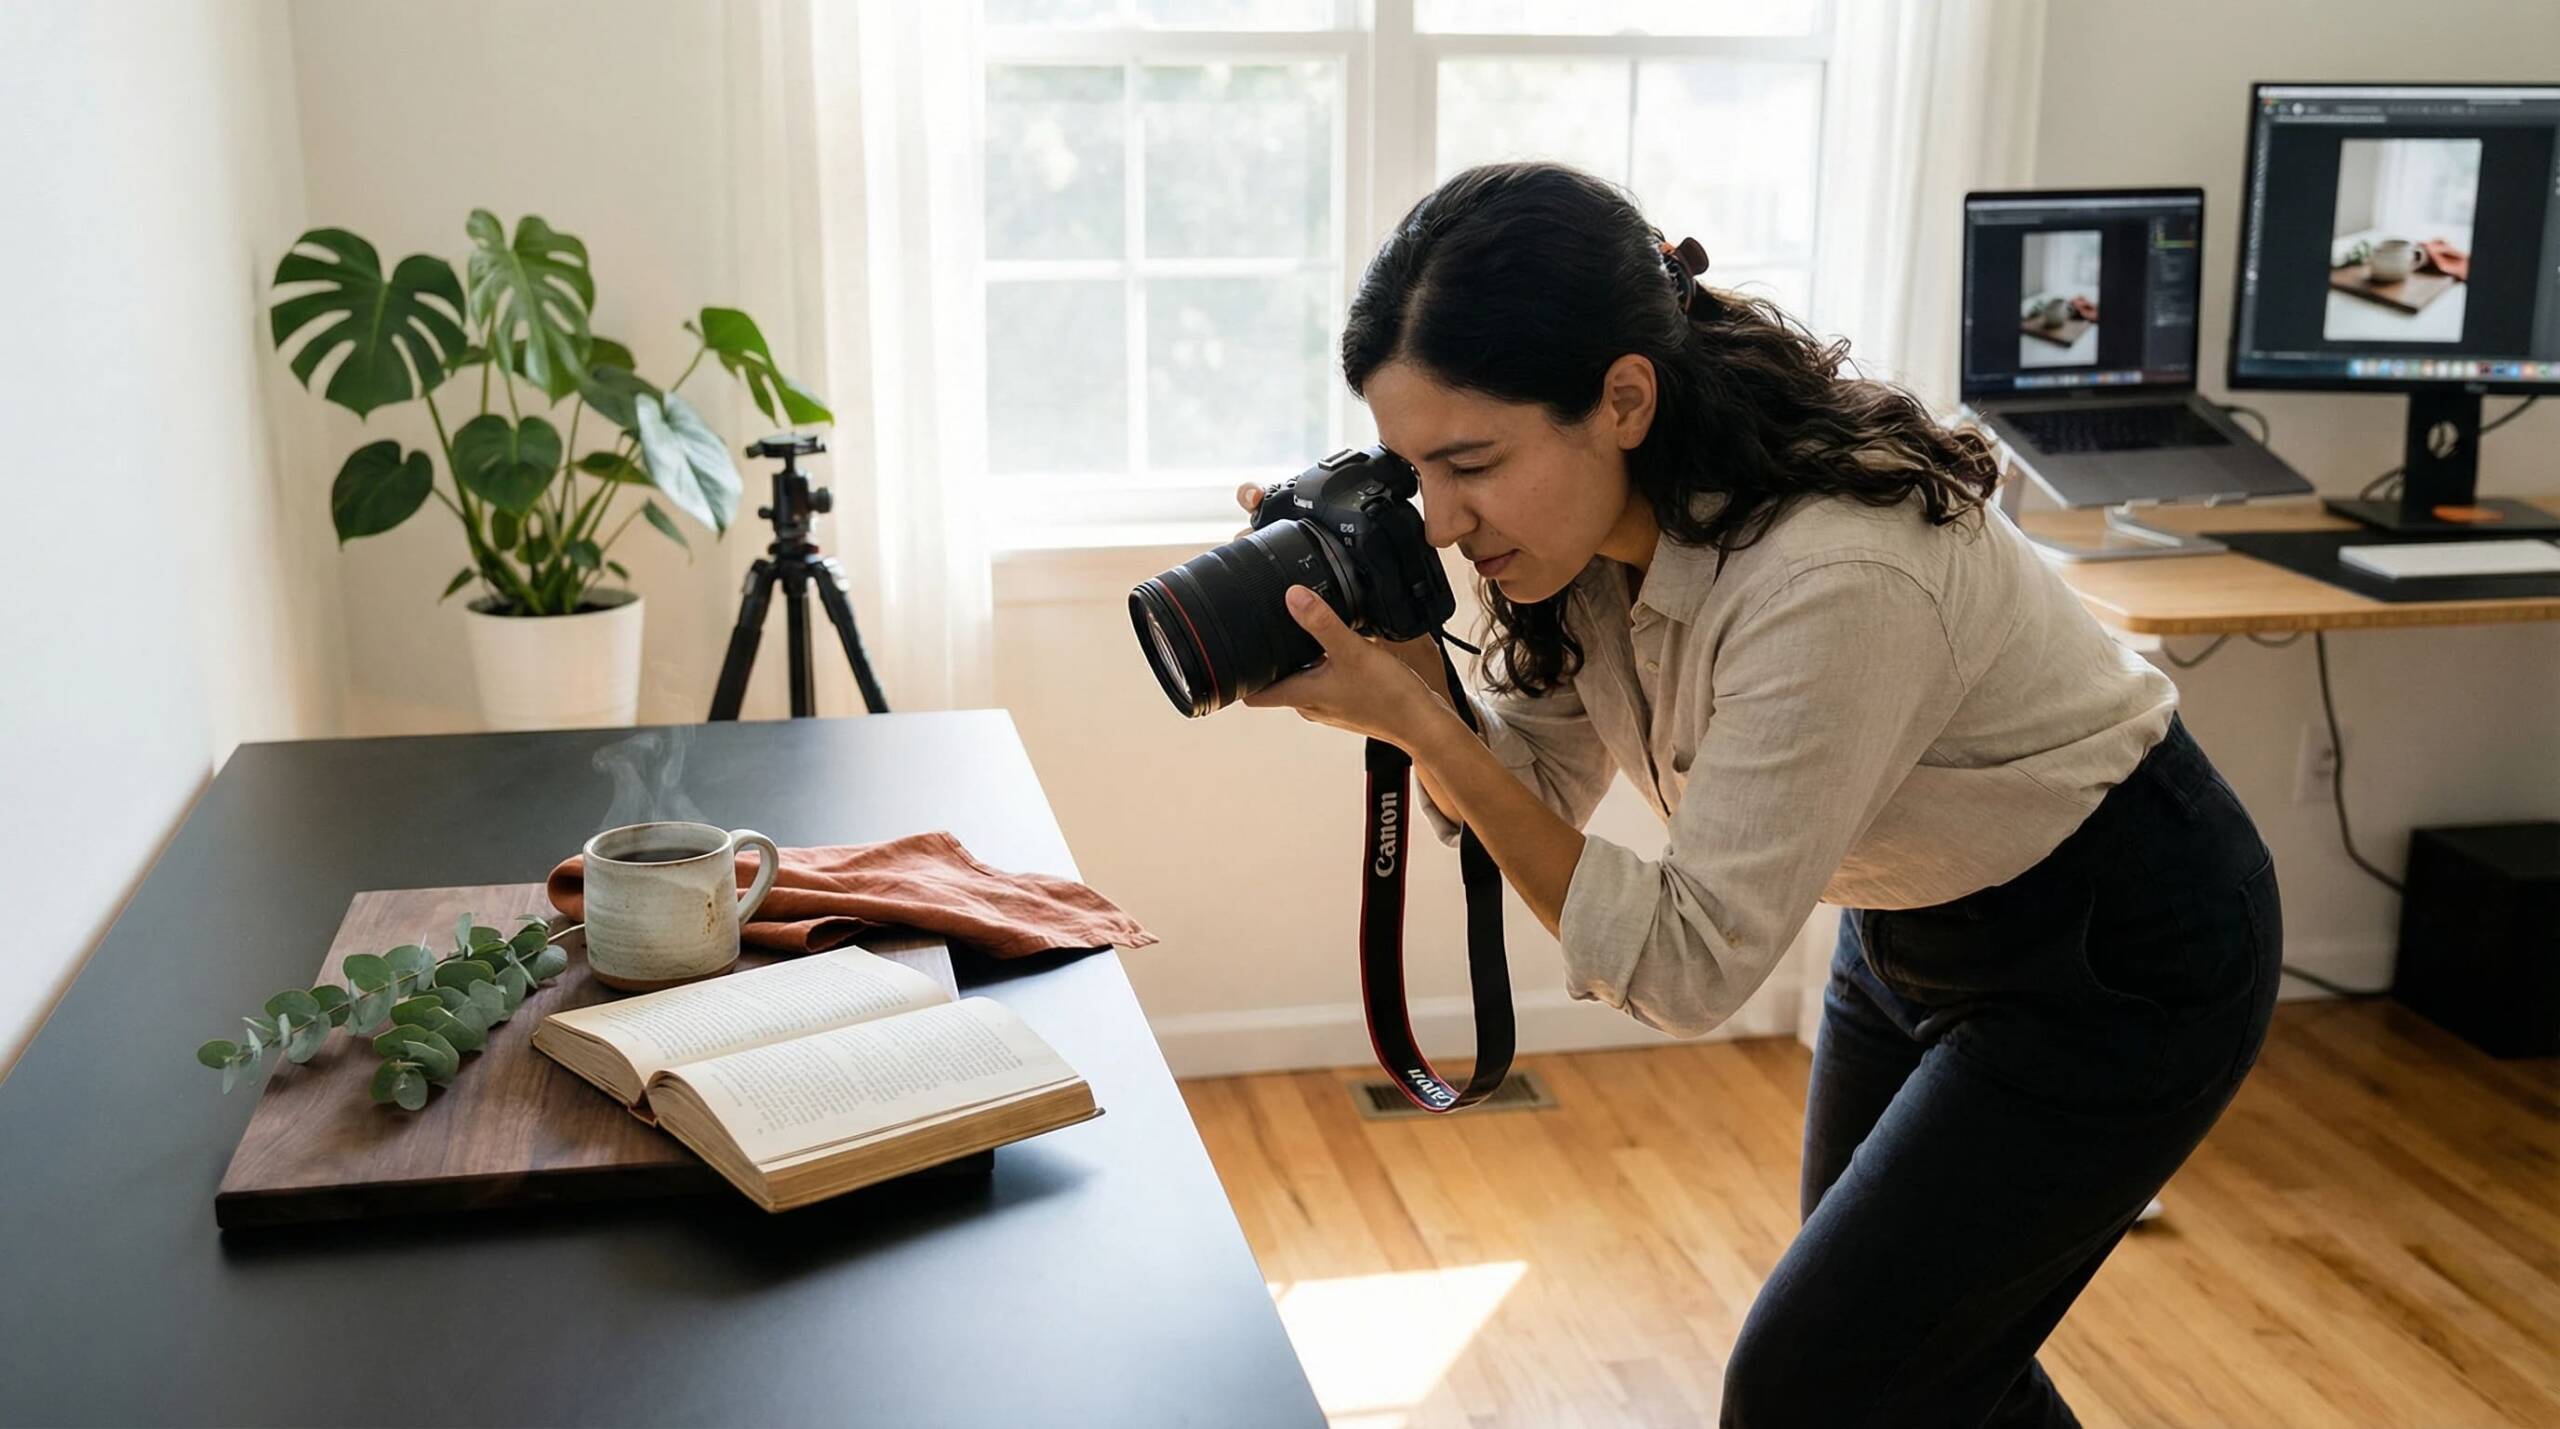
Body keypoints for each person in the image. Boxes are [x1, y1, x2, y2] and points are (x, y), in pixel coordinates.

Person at [1237, 162, 2283, 1428]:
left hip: (2124, 943)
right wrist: (1413, 679)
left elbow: (1685, 966)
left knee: (1815, 1385)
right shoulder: (1581, 540)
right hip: (1909, 921)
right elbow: (1539, 788)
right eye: (1415, 474)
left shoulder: (1832, 575)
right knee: (1917, 1371)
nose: (1448, 524)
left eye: (1473, 461)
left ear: (1623, 397)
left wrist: (1421, 729)